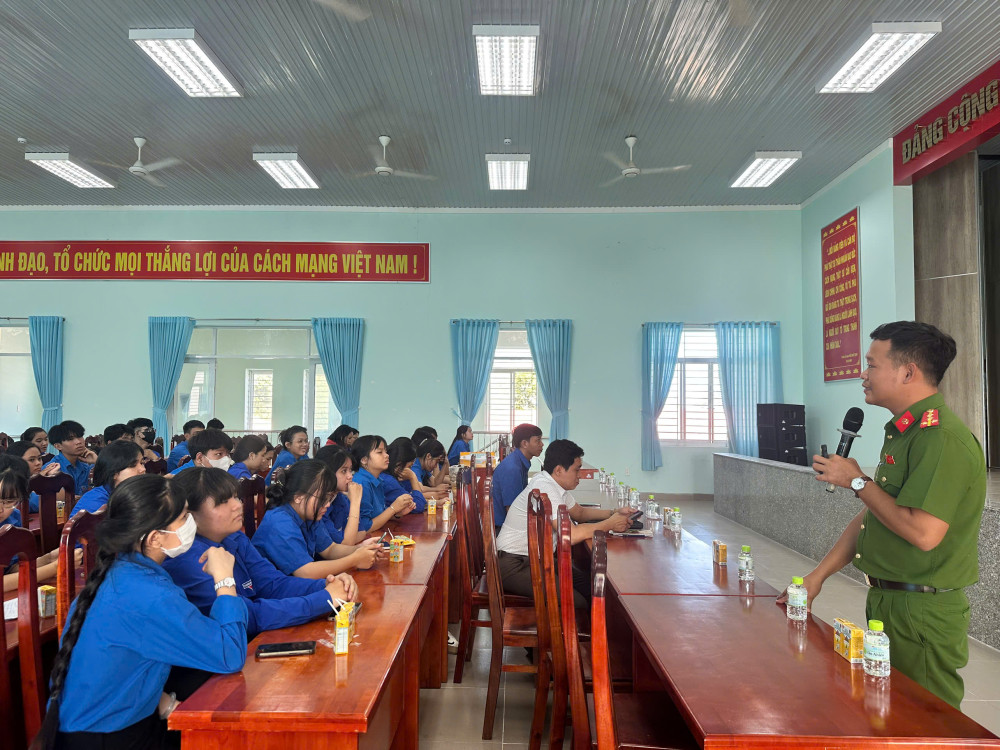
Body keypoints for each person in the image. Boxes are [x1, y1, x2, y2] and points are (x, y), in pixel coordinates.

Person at [791, 321, 986, 709]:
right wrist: (817, 577)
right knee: (891, 715)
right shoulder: (906, 432)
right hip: (891, 600)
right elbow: (874, 516)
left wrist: (859, 482)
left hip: (922, 612)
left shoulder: (939, 438)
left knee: (928, 722)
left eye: (872, 365)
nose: (863, 375)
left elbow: (925, 533)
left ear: (907, 371)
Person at [32, 473, 248, 749]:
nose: (190, 523)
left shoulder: (123, 572)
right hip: (112, 738)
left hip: (102, 724)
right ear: (155, 538)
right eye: (183, 517)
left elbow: (129, 658)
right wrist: (224, 580)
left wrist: (165, 703)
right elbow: (230, 654)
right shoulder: (148, 595)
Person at [164, 467, 357, 639]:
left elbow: (274, 584)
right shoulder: (188, 559)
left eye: (236, 497)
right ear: (189, 515)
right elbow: (250, 616)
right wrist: (323, 598)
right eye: (223, 501)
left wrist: (328, 585)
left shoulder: (234, 539)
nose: (237, 505)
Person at [496, 439, 631, 608]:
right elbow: (570, 534)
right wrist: (610, 524)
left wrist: (614, 513)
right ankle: (568, 634)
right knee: (577, 603)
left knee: (590, 588)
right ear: (559, 470)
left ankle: (597, 632)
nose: (580, 475)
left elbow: (580, 513)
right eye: (577, 470)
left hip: (535, 560)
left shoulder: (553, 484)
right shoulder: (545, 487)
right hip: (513, 565)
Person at [251, 459, 381, 578]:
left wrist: (361, 549)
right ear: (298, 496)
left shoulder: (309, 515)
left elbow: (330, 549)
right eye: (323, 498)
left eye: (330, 498)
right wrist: (355, 559)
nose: (328, 504)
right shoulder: (280, 521)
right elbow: (305, 571)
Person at [0, 454, 66, 593]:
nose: (1, 509)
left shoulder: (13, 518)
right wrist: (54, 568)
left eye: (9, 501)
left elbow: (10, 568)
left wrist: (47, 559)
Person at [351, 435, 416, 532]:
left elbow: (379, 514)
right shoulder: (361, 483)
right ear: (364, 460)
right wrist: (393, 508)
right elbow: (365, 528)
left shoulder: (378, 479)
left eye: (385, 451)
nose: (386, 455)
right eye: (380, 452)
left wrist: (398, 513)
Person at [69, 440, 146, 517]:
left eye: (142, 463)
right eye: (132, 465)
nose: (143, 469)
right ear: (113, 473)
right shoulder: (96, 504)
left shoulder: (128, 494)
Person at [492, 423, 544, 531]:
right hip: (503, 530)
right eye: (538, 440)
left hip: (507, 524)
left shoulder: (517, 461)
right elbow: (513, 511)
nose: (542, 444)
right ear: (525, 443)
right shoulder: (512, 468)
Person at [314, 446, 365, 545]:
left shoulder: (339, 497)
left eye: (350, 470)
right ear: (327, 473)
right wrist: (355, 502)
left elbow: (361, 532)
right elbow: (346, 543)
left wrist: (348, 537)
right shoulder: (318, 505)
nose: (350, 476)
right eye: (344, 471)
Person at [43, 421, 97, 496]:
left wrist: (96, 461)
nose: (78, 442)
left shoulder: (86, 467)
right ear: (58, 446)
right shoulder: (51, 469)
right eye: (70, 439)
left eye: (80, 436)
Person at [6, 439, 60, 512]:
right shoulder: (11, 482)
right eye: (32, 460)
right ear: (16, 462)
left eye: (39, 458)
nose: (38, 463)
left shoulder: (34, 478)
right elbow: (41, 504)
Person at [381, 438, 427, 513]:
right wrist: (413, 477)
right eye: (409, 467)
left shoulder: (393, 476)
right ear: (399, 463)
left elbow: (412, 496)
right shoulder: (388, 481)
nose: (410, 470)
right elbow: (419, 506)